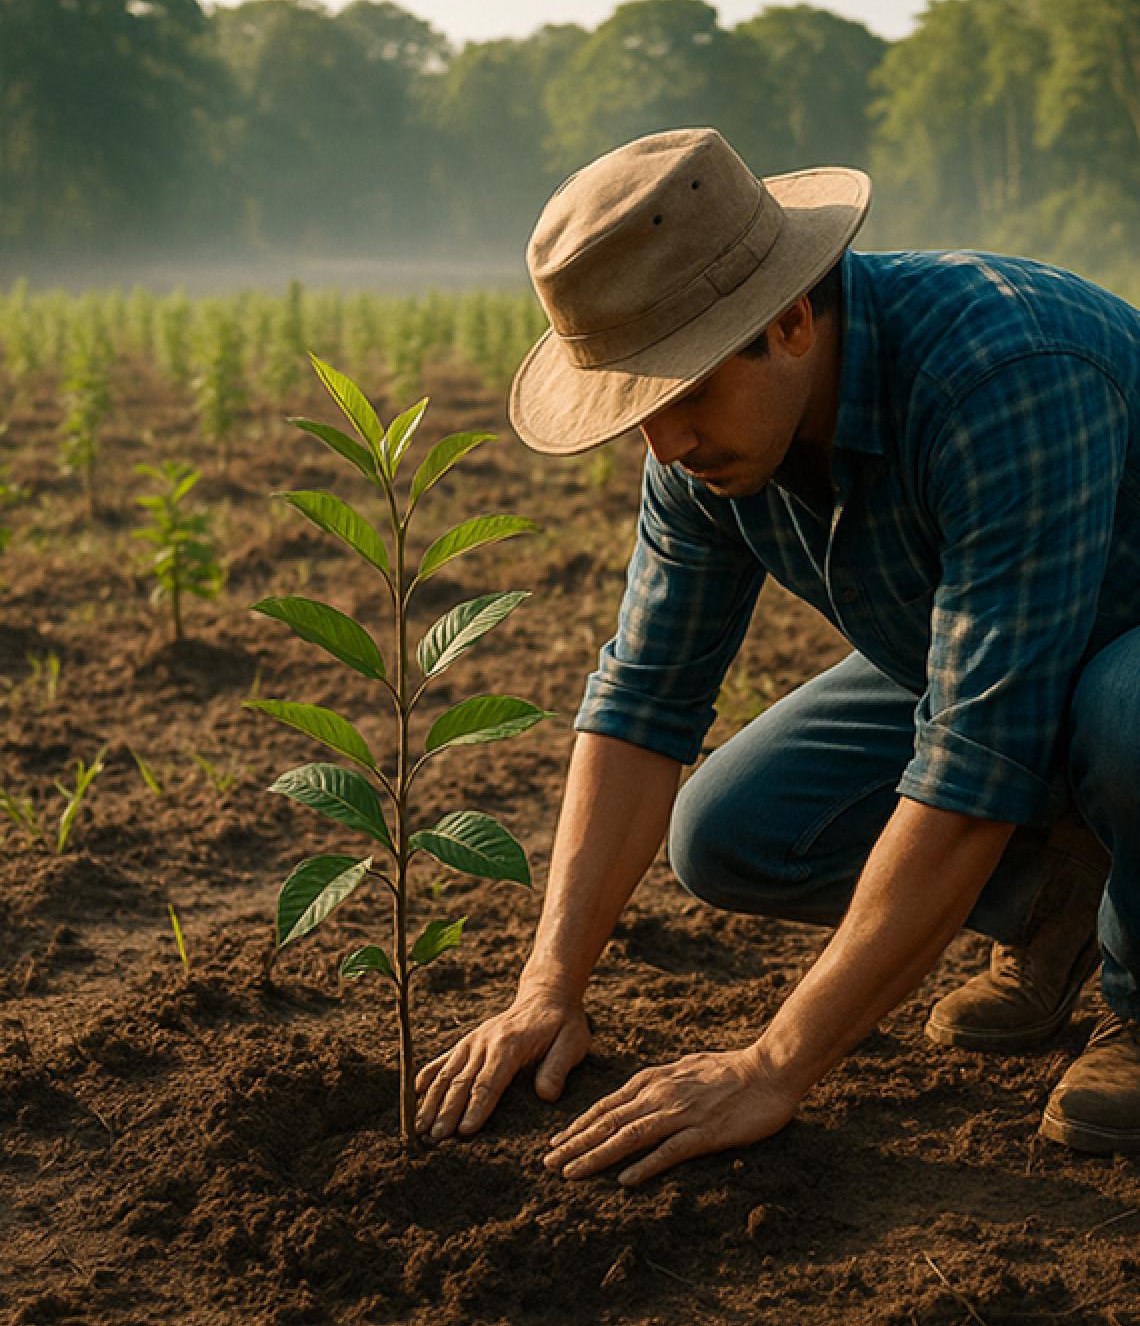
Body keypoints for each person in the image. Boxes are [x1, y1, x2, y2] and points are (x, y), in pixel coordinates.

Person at [413, 127, 1140, 1186]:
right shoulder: (701, 447)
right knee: (730, 832)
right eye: (638, 410)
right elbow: (643, 699)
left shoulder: (1003, 374)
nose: (664, 446)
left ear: (792, 320)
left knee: (1123, 713)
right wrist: (546, 990)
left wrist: (773, 1066)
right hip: (1002, 650)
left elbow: (979, 759)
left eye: (683, 396)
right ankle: (1063, 905)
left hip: (1117, 652)